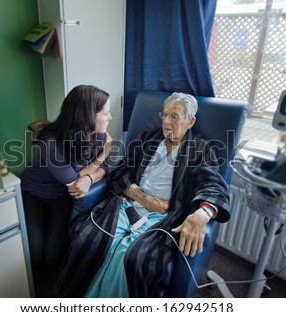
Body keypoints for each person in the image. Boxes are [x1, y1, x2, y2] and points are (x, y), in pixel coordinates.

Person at [53, 92, 230, 297]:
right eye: (164, 115)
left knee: (134, 258)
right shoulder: (147, 139)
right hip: (127, 204)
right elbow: (120, 171)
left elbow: (214, 185)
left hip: (164, 217)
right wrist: (140, 196)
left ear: (190, 122)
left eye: (174, 116)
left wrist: (202, 213)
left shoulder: (200, 149)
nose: (165, 121)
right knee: (89, 242)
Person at [20, 84, 112, 283]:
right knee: (34, 257)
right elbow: (72, 180)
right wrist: (105, 152)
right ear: (88, 116)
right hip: (34, 193)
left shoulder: (99, 135)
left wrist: (89, 178)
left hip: (59, 197)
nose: (110, 118)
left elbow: (104, 168)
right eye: (106, 113)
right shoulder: (51, 142)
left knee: (53, 257)